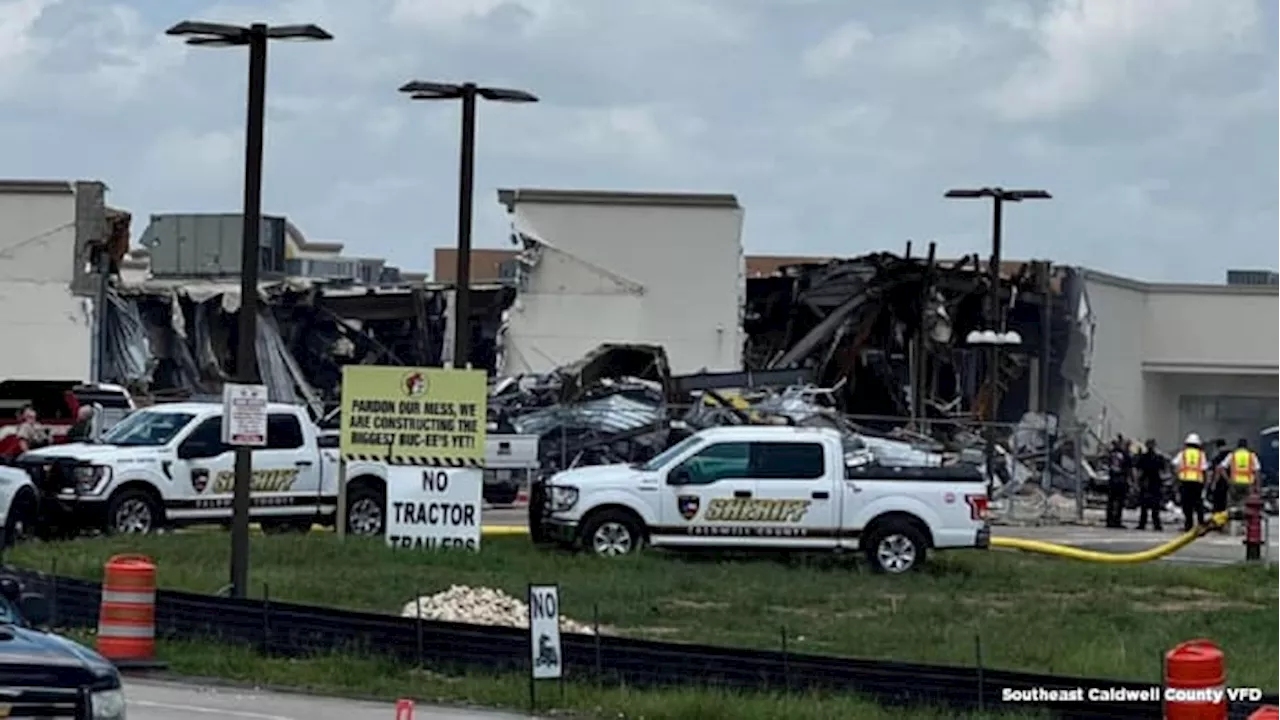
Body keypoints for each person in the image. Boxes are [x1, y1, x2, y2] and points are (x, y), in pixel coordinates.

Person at [1219, 438, 1261, 534]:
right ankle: (1244, 527)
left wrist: (1228, 480)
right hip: (1248, 484)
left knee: (1231, 505)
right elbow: (1257, 471)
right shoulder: (1251, 456)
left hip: (1234, 483)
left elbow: (1221, 468)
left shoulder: (1232, 455)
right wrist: (1257, 486)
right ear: (1246, 446)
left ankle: (1229, 527)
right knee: (1247, 506)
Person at [1170, 433, 1208, 531]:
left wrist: (1176, 477)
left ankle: (1188, 524)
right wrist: (1205, 483)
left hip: (1185, 481)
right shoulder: (1201, 454)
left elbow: (1173, 464)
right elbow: (1204, 470)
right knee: (1198, 503)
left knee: (1187, 504)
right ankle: (1201, 524)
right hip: (1197, 482)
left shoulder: (1183, 453)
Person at [1134, 439, 1166, 531]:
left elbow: (1139, 470)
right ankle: (1156, 524)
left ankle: (1142, 524)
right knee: (1154, 506)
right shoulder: (1158, 457)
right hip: (1154, 483)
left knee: (1145, 505)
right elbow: (1163, 470)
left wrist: (1137, 482)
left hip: (1146, 482)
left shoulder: (1143, 457)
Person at [1104, 435, 1132, 528]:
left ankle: (1109, 520)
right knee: (1119, 502)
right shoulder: (1124, 454)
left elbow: (1107, 463)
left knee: (1111, 501)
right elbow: (1128, 468)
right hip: (1121, 480)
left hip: (1112, 479)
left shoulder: (1111, 454)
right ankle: (1116, 520)